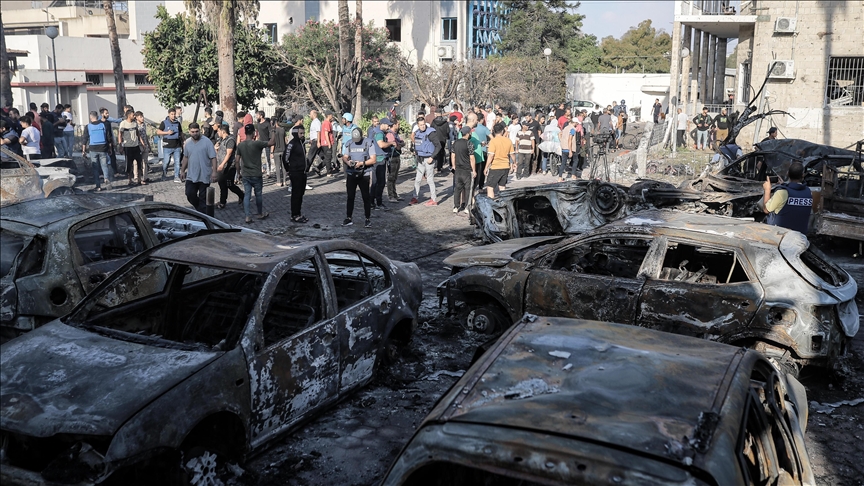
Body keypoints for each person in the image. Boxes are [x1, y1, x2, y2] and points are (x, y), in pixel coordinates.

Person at [236, 124, 275, 223]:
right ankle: (259, 213)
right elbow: (272, 142)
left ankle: (247, 216)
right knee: (258, 195)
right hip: (256, 174)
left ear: (245, 133)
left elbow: (237, 161)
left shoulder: (240, 145)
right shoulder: (257, 144)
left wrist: (238, 173)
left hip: (245, 174)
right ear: (254, 133)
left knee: (247, 195)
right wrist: (273, 131)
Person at [763, 161, 812, 234]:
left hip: (780, 236)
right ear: (803, 175)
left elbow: (766, 210)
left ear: (787, 173)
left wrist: (767, 190)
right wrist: (783, 184)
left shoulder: (782, 193)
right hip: (801, 236)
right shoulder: (809, 192)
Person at [179, 122, 217, 213]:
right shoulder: (187, 143)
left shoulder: (207, 142)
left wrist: (214, 172)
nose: (195, 133)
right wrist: (182, 170)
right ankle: (200, 211)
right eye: (192, 132)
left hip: (204, 175)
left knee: (203, 198)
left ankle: (205, 217)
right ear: (189, 131)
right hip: (191, 175)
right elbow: (186, 157)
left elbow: (213, 157)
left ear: (200, 130)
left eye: (196, 131)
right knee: (189, 194)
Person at [342, 127, 376, 227]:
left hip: (364, 173)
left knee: (366, 197)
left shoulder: (368, 143)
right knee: (350, 196)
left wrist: (362, 163)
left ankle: (367, 218)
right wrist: (348, 162)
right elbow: (345, 156)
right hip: (351, 173)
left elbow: (374, 159)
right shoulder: (349, 143)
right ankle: (349, 218)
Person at [284, 115, 310, 223]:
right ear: (295, 133)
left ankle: (298, 213)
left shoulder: (301, 143)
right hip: (295, 172)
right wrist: (289, 169)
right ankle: (294, 215)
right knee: (296, 194)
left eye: (303, 133)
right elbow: (285, 158)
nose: (303, 135)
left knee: (301, 194)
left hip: (302, 172)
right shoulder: (292, 144)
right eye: (301, 133)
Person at [410, 116, 438, 206]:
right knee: (417, 180)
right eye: (421, 125)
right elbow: (417, 144)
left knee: (430, 180)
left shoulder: (431, 133)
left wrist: (432, 157)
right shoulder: (417, 133)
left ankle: (433, 199)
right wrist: (415, 152)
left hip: (429, 159)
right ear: (418, 125)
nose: (422, 126)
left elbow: (438, 146)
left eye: (424, 124)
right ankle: (415, 197)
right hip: (420, 159)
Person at [214, 123, 244, 208]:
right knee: (221, 184)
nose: (217, 133)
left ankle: (242, 195)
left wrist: (222, 164)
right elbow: (219, 152)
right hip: (221, 166)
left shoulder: (230, 140)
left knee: (229, 184)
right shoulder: (221, 140)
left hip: (229, 166)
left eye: (219, 131)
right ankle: (223, 202)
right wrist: (216, 149)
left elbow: (229, 154)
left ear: (223, 131)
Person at [82, 111, 113, 191]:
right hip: (103, 147)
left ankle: (98, 186)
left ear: (90, 117)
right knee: (104, 165)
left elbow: (85, 139)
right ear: (97, 116)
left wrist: (83, 151)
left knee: (95, 167)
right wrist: (110, 148)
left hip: (93, 148)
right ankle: (106, 178)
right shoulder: (103, 124)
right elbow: (109, 137)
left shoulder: (88, 126)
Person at [484, 123, 514, 198]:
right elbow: (512, 154)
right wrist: (514, 163)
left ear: (494, 131)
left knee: (490, 188)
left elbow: (491, 155)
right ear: (502, 131)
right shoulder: (508, 141)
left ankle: (491, 205)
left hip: (495, 167)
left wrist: (486, 167)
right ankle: (504, 204)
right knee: (502, 187)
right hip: (505, 166)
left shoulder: (493, 141)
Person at [451, 126, 476, 214]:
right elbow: (472, 158)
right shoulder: (469, 144)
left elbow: (453, 155)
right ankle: (466, 207)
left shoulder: (455, 143)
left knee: (457, 188)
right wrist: (474, 170)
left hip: (458, 169)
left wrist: (453, 166)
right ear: (468, 133)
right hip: (467, 170)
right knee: (468, 188)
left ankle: (456, 206)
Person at [371, 117, 395, 210]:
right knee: (380, 182)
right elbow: (381, 144)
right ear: (383, 124)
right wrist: (391, 143)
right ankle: (379, 203)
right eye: (388, 125)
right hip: (379, 159)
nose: (389, 127)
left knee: (374, 182)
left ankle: (372, 202)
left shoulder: (373, 130)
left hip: (374, 158)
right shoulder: (379, 133)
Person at [157, 108, 183, 181]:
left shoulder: (177, 123)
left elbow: (181, 133)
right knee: (166, 162)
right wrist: (167, 133)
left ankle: (176, 176)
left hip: (177, 145)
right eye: (172, 114)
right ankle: (164, 174)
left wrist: (183, 141)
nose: (173, 116)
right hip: (167, 146)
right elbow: (158, 132)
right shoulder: (164, 123)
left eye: (174, 114)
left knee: (177, 162)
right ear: (169, 114)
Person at [119, 109, 144, 185]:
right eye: (133, 115)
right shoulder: (123, 124)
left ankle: (139, 179)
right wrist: (120, 145)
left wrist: (142, 143)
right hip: (128, 147)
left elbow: (138, 134)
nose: (134, 116)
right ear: (129, 115)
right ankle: (130, 180)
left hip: (136, 146)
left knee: (139, 163)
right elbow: (120, 135)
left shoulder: (135, 123)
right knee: (129, 164)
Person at [386, 120, 405, 202]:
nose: (399, 125)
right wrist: (399, 145)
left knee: (395, 177)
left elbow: (402, 142)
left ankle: (394, 194)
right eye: (398, 124)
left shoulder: (395, 134)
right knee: (391, 177)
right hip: (392, 157)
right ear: (394, 125)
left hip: (397, 156)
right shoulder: (390, 134)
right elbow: (396, 145)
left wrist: (399, 144)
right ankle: (391, 195)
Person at [470, 113, 491, 190]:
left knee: (474, 168)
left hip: (473, 151)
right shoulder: (485, 129)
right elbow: (491, 137)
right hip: (483, 151)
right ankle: (481, 186)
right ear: (482, 119)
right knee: (482, 169)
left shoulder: (472, 129)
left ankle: (473, 184)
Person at [99, 108, 122, 174]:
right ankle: (103, 173)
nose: (108, 114)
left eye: (108, 113)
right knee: (103, 158)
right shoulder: (99, 123)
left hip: (109, 142)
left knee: (112, 157)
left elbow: (110, 134)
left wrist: (112, 142)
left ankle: (114, 171)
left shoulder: (108, 122)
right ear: (102, 114)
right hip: (102, 143)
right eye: (106, 113)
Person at [255, 111, 273, 176]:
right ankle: (261, 170)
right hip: (259, 142)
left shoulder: (267, 124)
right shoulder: (258, 123)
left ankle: (268, 172)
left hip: (266, 142)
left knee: (267, 158)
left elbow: (271, 133)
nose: (256, 117)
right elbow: (258, 133)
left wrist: (270, 141)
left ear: (261, 116)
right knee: (258, 157)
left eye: (257, 115)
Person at [271, 119, 287, 187]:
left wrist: (271, 152)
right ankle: (284, 181)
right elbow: (286, 140)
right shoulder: (283, 130)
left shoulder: (273, 131)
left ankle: (278, 181)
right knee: (284, 166)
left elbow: (272, 142)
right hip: (283, 150)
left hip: (276, 151)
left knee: (277, 166)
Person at [307, 109, 322, 174]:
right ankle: (320, 167)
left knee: (310, 156)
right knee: (322, 155)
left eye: (310, 114)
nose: (309, 115)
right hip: (314, 140)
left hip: (316, 141)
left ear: (314, 114)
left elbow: (318, 132)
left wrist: (318, 141)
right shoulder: (313, 122)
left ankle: (305, 170)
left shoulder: (316, 122)